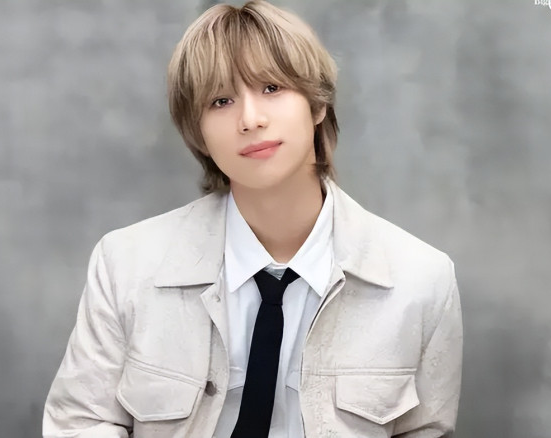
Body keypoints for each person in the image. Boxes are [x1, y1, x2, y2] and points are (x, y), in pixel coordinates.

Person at [42, 1, 463, 437]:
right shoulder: (126, 264)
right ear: (198, 132)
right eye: (221, 101)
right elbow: (81, 423)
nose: (250, 119)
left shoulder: (421, 280)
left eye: (272, 88)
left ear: (317, 104)